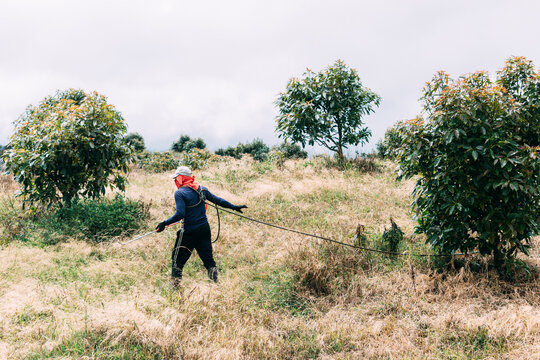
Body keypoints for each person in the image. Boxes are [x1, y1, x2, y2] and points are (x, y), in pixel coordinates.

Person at [155, 166, 247, 284]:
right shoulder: (202, 189)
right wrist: (234, 207)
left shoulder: (180, 193)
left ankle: (175, 289)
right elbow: (218, 200)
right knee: (209, 260)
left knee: (177, 261)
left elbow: (180, 214)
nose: (174, 181)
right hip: (204, 229)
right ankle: (215, 285)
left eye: (176, 178)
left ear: (181, 178)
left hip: (188, 232)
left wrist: (164, 223)